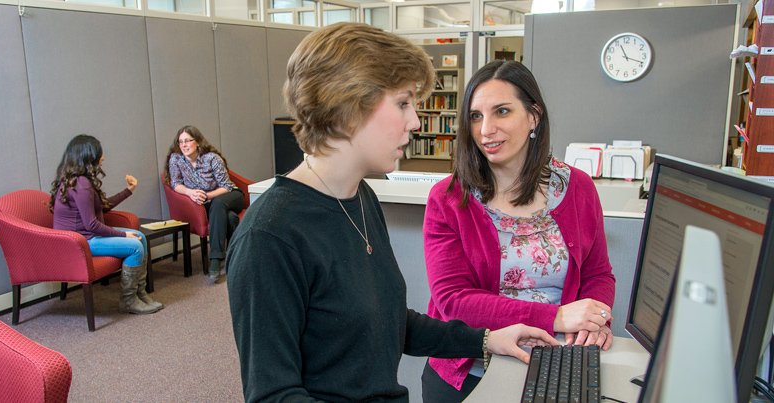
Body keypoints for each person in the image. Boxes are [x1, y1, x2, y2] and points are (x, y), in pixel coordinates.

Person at [226, 23, 560, 403]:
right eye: (403, 103)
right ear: (348, 106)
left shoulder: (360, 198)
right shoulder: (270, 236)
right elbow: (274, 396)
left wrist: (486, 339)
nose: (416, 121)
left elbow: (389, 323)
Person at [421, 60, 617, 400]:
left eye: (502, 112)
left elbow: (598, 272)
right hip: (474, 370)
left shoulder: (578, 188)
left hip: (557, 365)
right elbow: (453, 301)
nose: (486, 130)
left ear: (534, 117)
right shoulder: (449, 199)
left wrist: (594, 320)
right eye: (476, 116)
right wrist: (555, 317)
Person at [50, 134, 162, 315]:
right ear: (88, 156)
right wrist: (123, 235)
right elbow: (91, 225)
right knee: (134, 245)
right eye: (99, 154)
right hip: (80, 242)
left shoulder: (78, 180)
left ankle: (140, 293)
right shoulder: (81, 183)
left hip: (86, 235)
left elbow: (100, 207)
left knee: (140, 237)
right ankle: (129, 300)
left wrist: (128, 191)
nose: (102, 158)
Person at [163, 125, 244, 280]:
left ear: (198, 142)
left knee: (218, 204)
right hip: (208, 204)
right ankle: (235, 258)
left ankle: (215, 259)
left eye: (188, 141)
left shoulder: (212, 158)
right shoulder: (176, 159)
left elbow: (226, 186)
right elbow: (175, 184)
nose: (184, 145)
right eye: (181, 142)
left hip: (230, 195)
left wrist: (207, 196)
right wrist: (190, 192)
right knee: (229, 218)